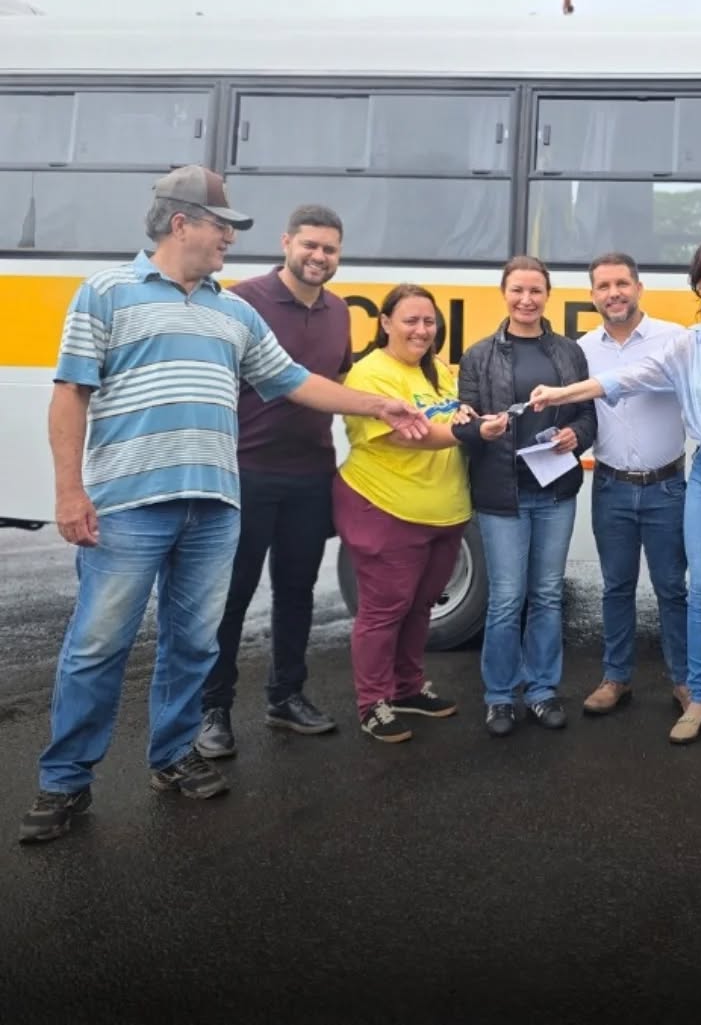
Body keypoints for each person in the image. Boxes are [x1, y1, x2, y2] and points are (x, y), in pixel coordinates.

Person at [19, 167, 428, 844]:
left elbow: (294, 381)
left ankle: (174, 756)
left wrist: (378, 403)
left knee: (193, 643)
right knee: (97, 645)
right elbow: (70, 394)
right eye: (222, 227)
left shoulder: (233, 312)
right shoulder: (106, 293)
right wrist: (68, 491)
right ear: (181, 223)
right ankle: (65, 781)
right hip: (130, 505)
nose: (230, 240)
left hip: (215, 507)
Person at [531, 237, 701, 745]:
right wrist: (560, 394)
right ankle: (700, 697)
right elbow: (624, 378)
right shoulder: (690, 343)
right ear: (698, 286)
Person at [196, 205, 351, 760]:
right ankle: (212, 709)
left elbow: (338, 382)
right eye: (310, 245)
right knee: (231, 596)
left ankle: (286, 697)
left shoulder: (339, 311)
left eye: (329, 249)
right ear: (286, 242)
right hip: (247, 472)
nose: (318, 257)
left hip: (310, 474)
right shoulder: (242, 301)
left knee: (296, 592)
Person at [452, 257, 595, 739]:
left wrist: (575, 436)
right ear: (504, 293)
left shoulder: (569, 353)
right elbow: (463, 424)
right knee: (507, 598)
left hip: (554, 492)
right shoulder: (478, 355)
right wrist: (481, 429)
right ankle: (499, 696)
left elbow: (588, 417)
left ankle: (541, 690)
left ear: (547, 295)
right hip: (502, 495)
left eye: (536, 291)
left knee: (548, 595)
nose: (526, 300)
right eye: (518, 290)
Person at [334, 284, 475, 743]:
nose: (421, 330)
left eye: (429, 321)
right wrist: (470, 432)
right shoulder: (369, 374)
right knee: (383, 611)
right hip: (387, 508)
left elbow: (451, 415)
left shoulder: (439, 370)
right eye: (411, 320)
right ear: (385, 323)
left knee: (419, 606)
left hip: (444, 510)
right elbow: (406, 435)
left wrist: (468, 417)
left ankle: (408, 689)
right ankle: (373, 703)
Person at [576, 253, 690, 717]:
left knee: (672, 588)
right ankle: (616, 678)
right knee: (616, 587)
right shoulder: (583, 349)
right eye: (603, 286)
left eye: (622, 283)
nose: (614, 293)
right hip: (611, 487)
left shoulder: (676, 339)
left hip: (667, 487)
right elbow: (581, 416)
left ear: (639, 288)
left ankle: (685, 681)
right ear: (592, 296)